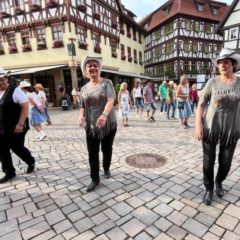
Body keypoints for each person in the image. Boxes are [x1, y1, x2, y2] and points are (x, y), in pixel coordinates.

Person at [195, 48, 240, 205]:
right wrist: (198, 126)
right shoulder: (212, 82)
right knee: (208, 161)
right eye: (220, 62)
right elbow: (201, 105)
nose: (222, 65)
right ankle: (209, 189)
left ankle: (219, 181)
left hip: (231, 129)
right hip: (210, 128)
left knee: (226, 162)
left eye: (226, 62)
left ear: (233, 64)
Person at [79, 56, 117, 192]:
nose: (93, 68)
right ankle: (95, 179)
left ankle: (106, 168)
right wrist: (80, 117)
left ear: (99, 68)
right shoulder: (83, 88)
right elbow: (82, 106)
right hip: (91, 126)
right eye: (90, 66)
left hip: (108, 124)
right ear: (86, 70)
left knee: (107, 149)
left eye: (95, 65)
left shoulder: (107, 83)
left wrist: (104, 115)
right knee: (92, 153)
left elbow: (111, 100)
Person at [0, 68, 35, 183]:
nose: (0, 82)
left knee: (17, 147)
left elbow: (25, 106)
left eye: (2, 79)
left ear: (6, 79)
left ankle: (30, 161)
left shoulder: (15, 91)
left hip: (16, 126)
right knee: (2, 150)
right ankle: (9, 172)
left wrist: (20, 124)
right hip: (1, 127)